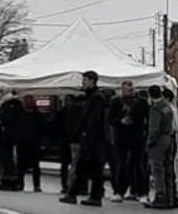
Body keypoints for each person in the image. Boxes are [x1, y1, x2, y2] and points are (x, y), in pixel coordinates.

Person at [60, 70, 108, 207]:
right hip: (90, 138)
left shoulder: (96, 98)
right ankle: (77, 194)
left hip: (92, 139)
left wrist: (87, 134)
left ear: (92, 81)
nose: (83, 83)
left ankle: (87, 195)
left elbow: (93, 119)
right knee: (84, 167)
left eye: (85, 81)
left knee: (92, 168)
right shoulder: (91, 97)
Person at [108, 80, 149, 202]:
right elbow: (110, 118)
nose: (131, 91)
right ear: (123, 90)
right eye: (128, 89)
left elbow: (147, 118)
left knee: (139, 164)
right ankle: (119, 191)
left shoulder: (141, 102)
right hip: (121, 137)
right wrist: (120, 121)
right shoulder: (116, 102)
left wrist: (143, 129)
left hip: (137, 137)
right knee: (121, 165)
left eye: (132, 89)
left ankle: (142, 192)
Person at [145, 85, 175, 209]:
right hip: (169, 137)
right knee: (169, 169)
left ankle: (160, 196)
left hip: (159, 141)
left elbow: (154, 129)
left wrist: (149, 142)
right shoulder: (167, 106)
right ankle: (172, 197)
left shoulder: (155, 109)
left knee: (158, 169)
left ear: (150, 95)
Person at [0, 89, 22, 190]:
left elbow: (10, 119)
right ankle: (6, 180)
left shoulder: (14, 104)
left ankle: (11, 181)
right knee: (4, 158)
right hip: (4, 136)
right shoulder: (4, 104)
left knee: (9, 159)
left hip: (10, 136)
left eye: (1, 92)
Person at [17, 94, 45, 192]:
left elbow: (43, 129)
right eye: (26, 101)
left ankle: (36, 185)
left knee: (35, 165)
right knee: (20, 165)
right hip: (22, 143)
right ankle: (20, 183)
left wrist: (42, 142)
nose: (28, 103)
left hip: (34, 143)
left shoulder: (38, 115)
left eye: (30, 101)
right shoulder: (20, 114)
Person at [162, 88, 178, 209]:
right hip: (173, 139)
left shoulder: (167, 109)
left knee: (167, 171)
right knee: (170, 171)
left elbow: (171, 127)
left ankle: (169, 199)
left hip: (168, 139)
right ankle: (173, 197)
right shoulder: (174, 108)